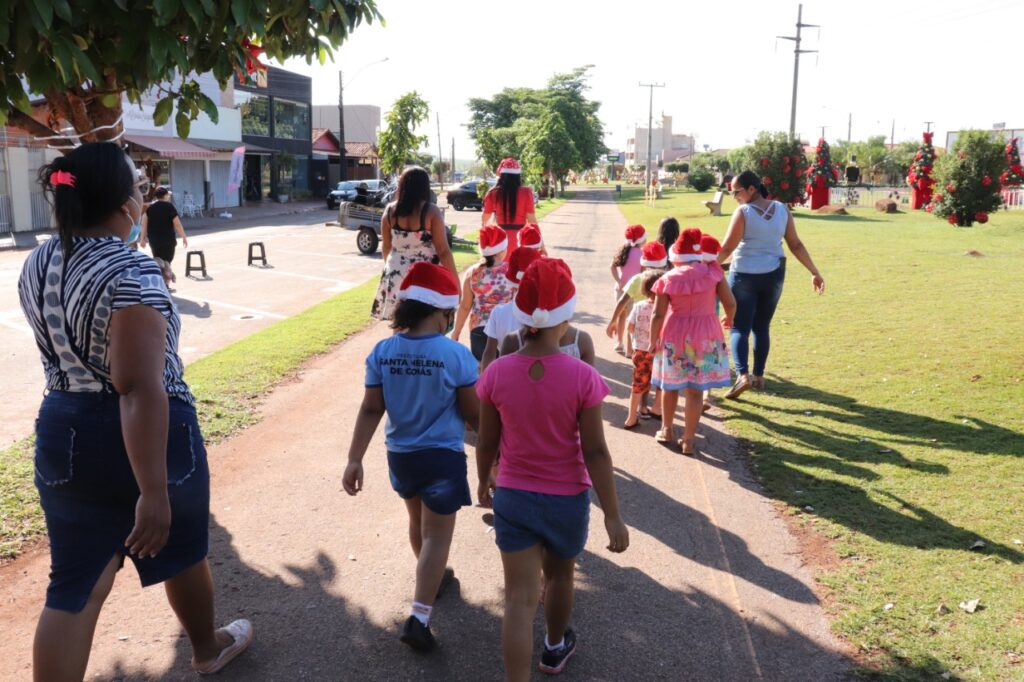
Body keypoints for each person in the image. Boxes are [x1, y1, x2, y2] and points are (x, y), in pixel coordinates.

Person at [17, 142, 252, 681]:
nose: (143, 196)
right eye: (139, 187)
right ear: (124, 203)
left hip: (63, 428)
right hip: (148, 434)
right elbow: (137, 388)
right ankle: (206, 648)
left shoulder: (38, 261)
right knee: (182, 549)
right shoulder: (133, 272)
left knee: (74, 584)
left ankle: (205, 644)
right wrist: (153, 490)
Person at [475, 258, 629, 680]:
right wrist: (613, 514)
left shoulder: (497, 373)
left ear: (522, 318)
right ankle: (555, 647)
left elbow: (486, 442)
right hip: (567, 499)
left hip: (513, 496)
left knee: (518, 600)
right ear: (566, 318)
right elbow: (596, 452)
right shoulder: (582, 377)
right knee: (560, 578)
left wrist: (483, 480)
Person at [343, 262, 480, 652]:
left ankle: (432, 578)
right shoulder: (455, 355)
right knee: (438, 535)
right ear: (439, 311)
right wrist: (496, 443)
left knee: (418, 523)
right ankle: (419, 617)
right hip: (442, 458)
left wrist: (355, 458)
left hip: (401, 456)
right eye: (448, 314)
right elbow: (473, 415)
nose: (448, 321)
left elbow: (371, 408)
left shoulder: (383, 351)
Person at [718, 170, 825, 398]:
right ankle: (759, 376)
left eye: (736, 192)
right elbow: (795, 245)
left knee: (738, 327)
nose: (734, 196)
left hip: (744, 275)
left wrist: (704, 268)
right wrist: (814, 272)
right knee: (761, 327)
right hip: (773, 275)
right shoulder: (782, 209)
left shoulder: (743, 212)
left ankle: (742, 376)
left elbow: (726, 248)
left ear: (751, 189)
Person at [649, 229, 736, 455]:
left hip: (675, 334)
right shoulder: (713, 273)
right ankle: (688, 440)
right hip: (705, 335)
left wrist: (652, 340)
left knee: (670, 385)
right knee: (695, 390)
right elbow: (730, 302)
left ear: (675, 256)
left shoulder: (667, 279)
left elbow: (658, 314)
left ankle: (666, 429)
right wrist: (730, 318)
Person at [372, 166, 457, 321]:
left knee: (399, 324)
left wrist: (392, 268)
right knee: (423, 323)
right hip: (423, 276)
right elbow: (443, 251)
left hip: (395, 273)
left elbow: (386, 247)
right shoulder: (432, 212)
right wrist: (455, 281)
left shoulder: (389, 211)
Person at [452, 225, 514, 361]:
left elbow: (465, 307)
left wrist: (456, 332)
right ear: (501, 250)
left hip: (479, 329)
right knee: (505, 368)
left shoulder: (472, 273)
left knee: (482, 368)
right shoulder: (511, 272)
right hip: (507, 329)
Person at [480, 246, 543, 370]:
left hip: (507, 375)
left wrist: (484, 377)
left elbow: (489, 353)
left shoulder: (498, 313)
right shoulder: (547, 313)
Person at [623, 270, 663, 429]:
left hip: (640, 351)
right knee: (661, 382)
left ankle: (631, 418)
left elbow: (630, 326)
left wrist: (637, 338)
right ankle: (657, 408)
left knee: (638, 383)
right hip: (659, 351)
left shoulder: (638, 306)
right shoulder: (666, 308)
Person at [481, 158, 537, 251]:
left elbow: (485, 218)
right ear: (518, 175)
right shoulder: (526, 192)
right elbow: (532, 221)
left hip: (500, 242)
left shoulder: (493, 193)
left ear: (502, 175)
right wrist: (540, 244)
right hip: (521, 240)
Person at [609, 224, 647, 353]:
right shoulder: (642, 254)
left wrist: (618, 280)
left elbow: (612, 266)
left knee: (622, 316)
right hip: (634, 291)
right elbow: (643, 272)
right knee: (632, 319)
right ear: (641, 240)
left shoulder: (623, 251)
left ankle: (619, 343)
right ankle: (630, 350)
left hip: (620, 289)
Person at [140, 187, 188, 286]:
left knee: (158, 260)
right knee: (167, 261)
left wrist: (142, 238)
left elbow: (144, 224)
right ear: (165, 195)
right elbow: (177, 224)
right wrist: (183, 236)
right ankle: (167, 281)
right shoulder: (169, 207)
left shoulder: (150, 208)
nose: (169, 196)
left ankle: (161, 281)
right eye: (168, 195)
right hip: (168, 239)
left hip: (154, 240)